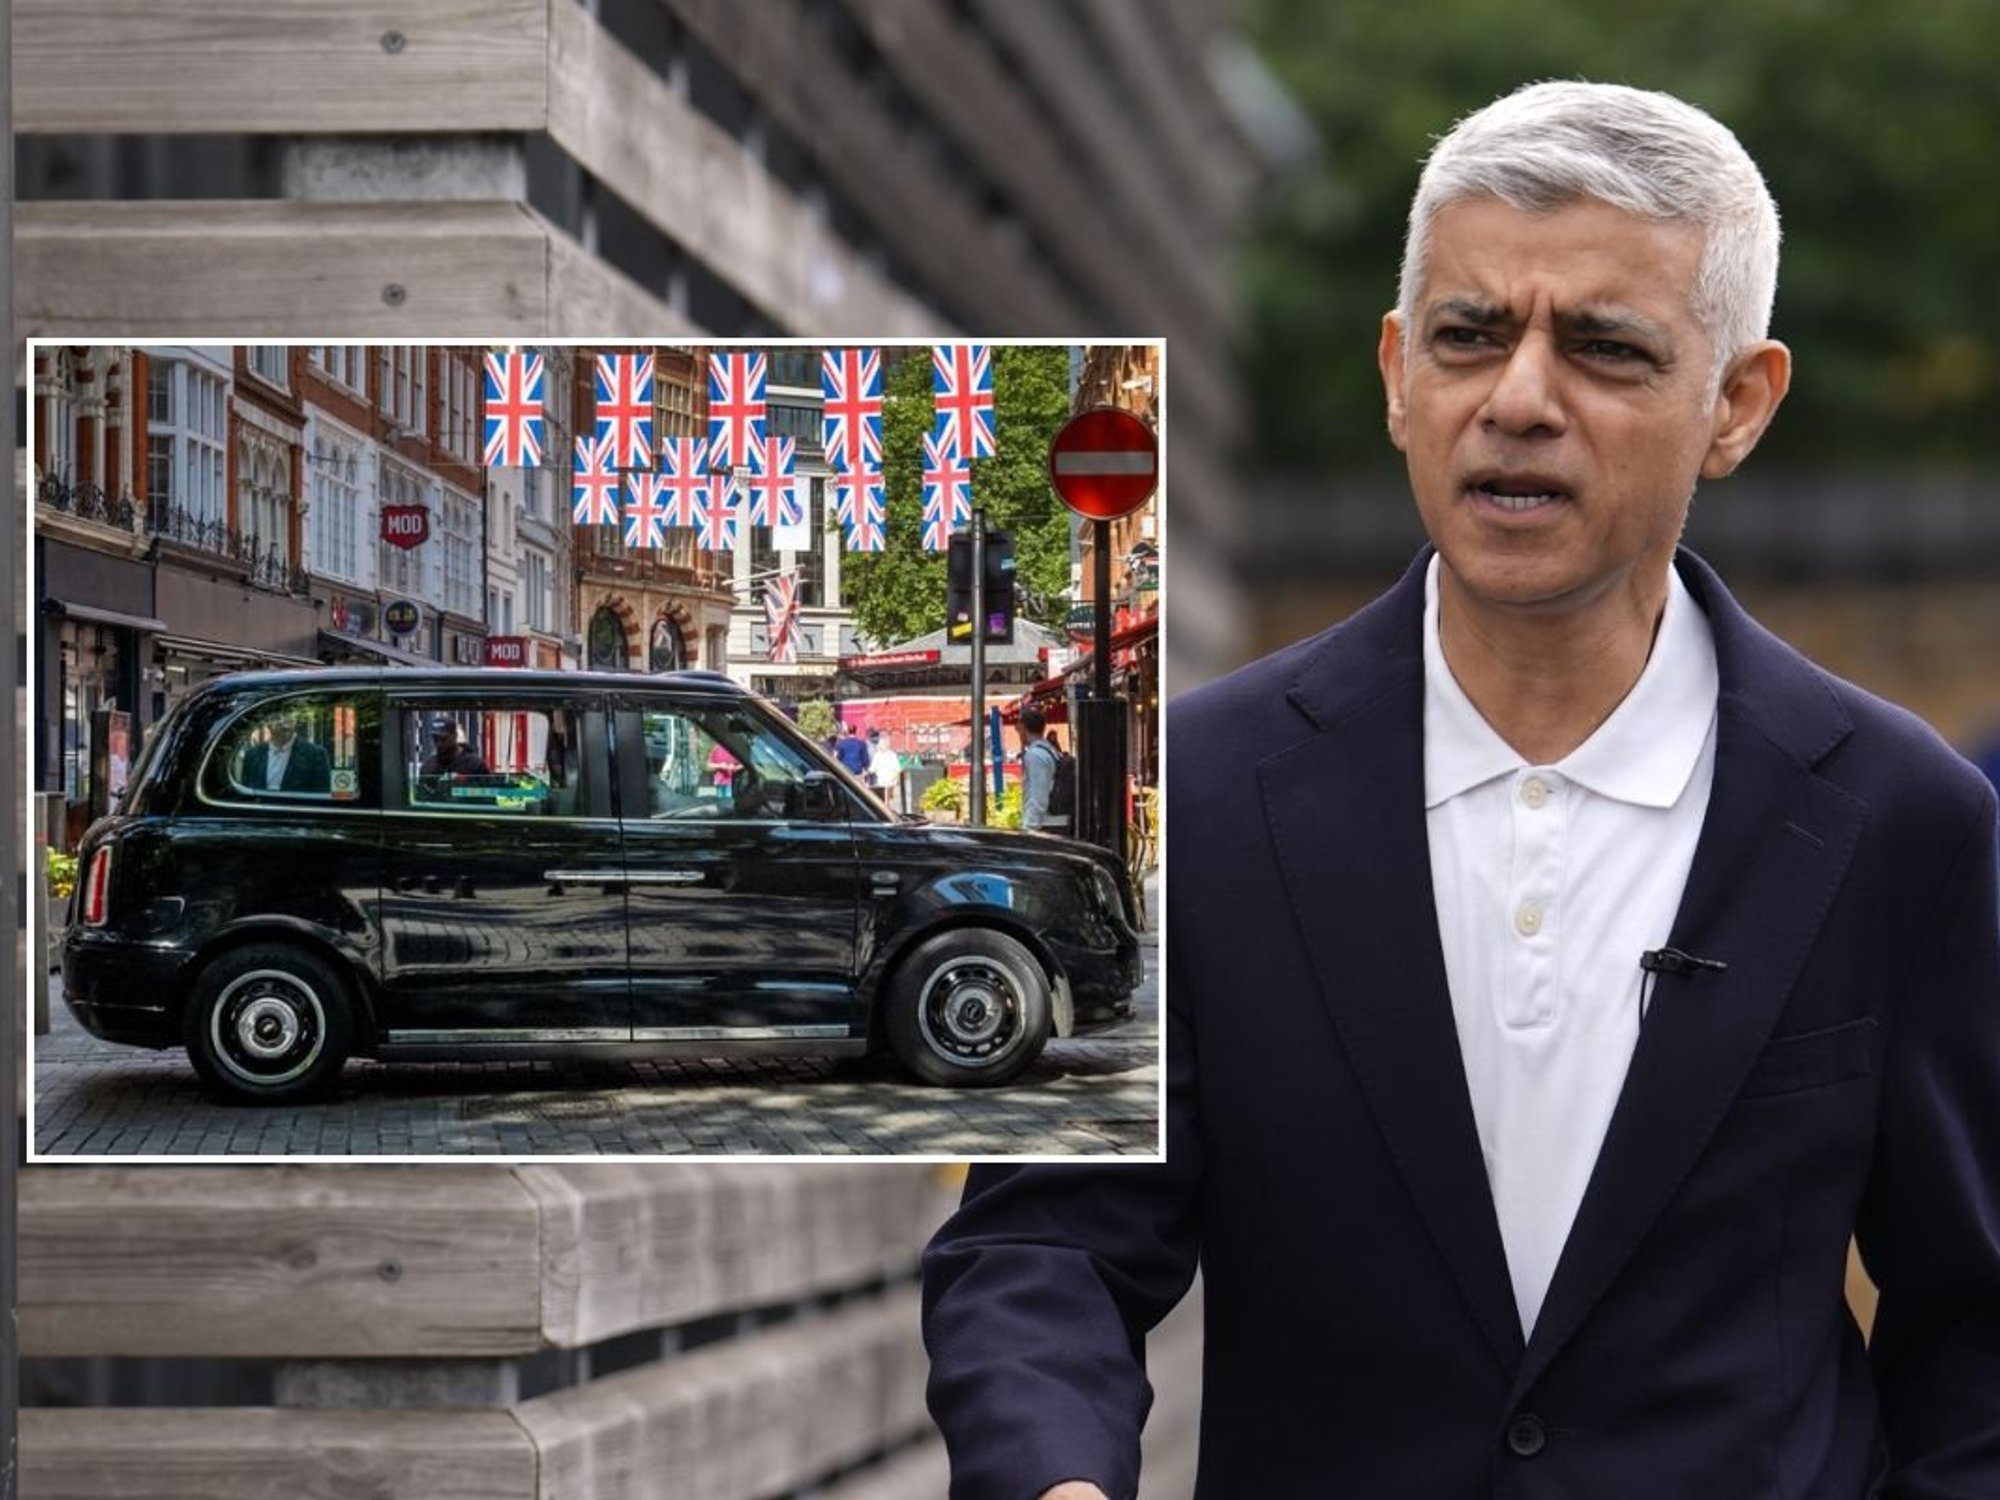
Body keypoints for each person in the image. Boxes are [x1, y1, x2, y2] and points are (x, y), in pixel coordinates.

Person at [922, 81, 2000, 1499]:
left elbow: (1977, 1335)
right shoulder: (1193, 798)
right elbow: (1044, 1244)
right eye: (1469, 335)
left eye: (1606, 349)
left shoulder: (1898, 816)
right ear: (1395, 371)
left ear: (1738, 402)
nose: (1520, 401)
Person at [240, 712, 330, 793]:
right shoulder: (252, 755)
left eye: (288, 714)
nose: (283, 721)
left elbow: (321, 794)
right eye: (277, 716)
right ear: (267, 723)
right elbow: (246, 791)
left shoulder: (315, 754)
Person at [1018, 708, 1068, 834]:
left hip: (1045, 824)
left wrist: (1029, 828)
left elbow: (1038, 797)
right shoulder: (1050, 750)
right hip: (1057, 820)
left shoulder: (1035, 755)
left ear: (1024, 728)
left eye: (1019, 729)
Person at [420, 717, 489, 777]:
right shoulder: (428, 767)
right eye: (435, 739)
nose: (439, 744)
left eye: (444, 739)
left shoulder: (475, 765)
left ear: (455, 736)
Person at [868, 728, 903, 811]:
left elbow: (872, 769)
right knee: (891, 798)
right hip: (891, 781)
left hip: (882, 782)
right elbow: (898, 769)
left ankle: (886, 811)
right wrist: (897, 779)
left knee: (884, 799)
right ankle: (891, 810)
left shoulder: (878, 755)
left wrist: (868, 772)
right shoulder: (893, 755)